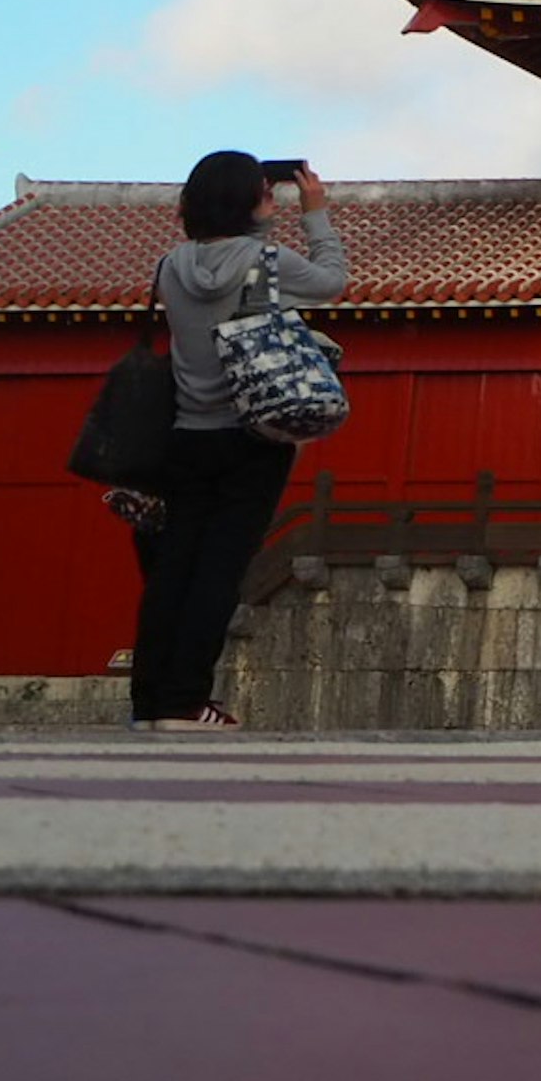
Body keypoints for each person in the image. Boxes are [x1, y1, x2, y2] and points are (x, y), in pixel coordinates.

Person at [135, 152, 345, 730]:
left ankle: (149, 701)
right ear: (247, 206)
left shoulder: (169, 266)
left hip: (185, 434)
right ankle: (185, 701)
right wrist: (316, 215)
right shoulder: (267, 259)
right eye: (264, 194)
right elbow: (333, 281)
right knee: (219, 572)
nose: (272, 202)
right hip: (253, 434)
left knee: (173, 567)